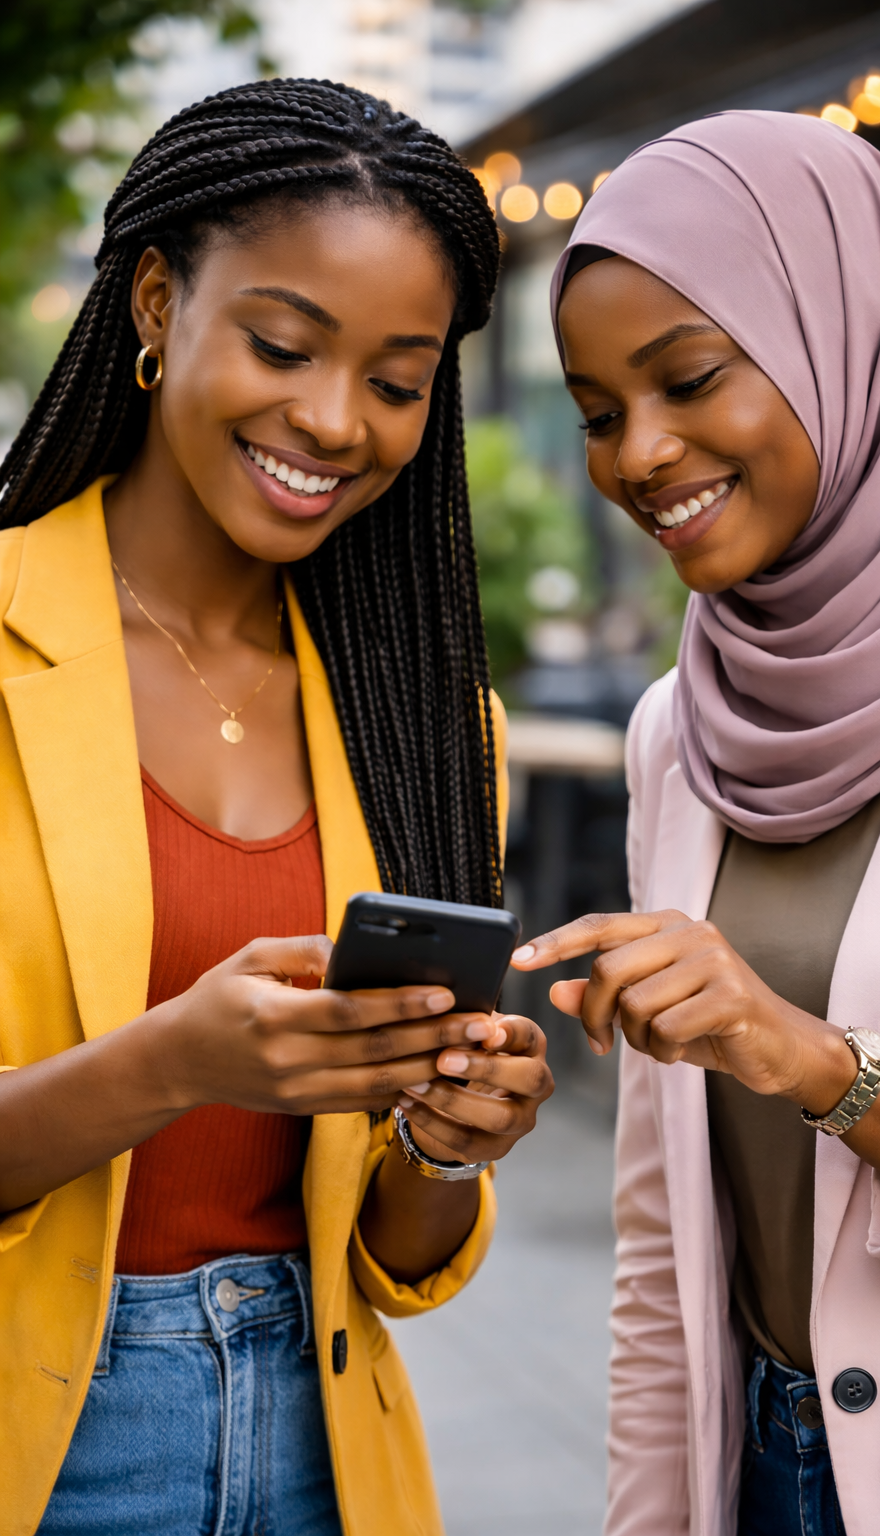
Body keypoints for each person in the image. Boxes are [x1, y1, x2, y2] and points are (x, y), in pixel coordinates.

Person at [0, 79, 552, 1536]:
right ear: (158, 300)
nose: (332, 420)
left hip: (321, 1455)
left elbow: (394, 1262)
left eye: (397, 380)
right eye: (284, 345)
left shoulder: (431, 727)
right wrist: (172, 1061)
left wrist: (447, 1140)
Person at [511, 110, 880, 1536]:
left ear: (851, 341)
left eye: (688, 380)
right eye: (596, 413)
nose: (638, 454)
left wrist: (816, 1066)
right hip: (754, 1465)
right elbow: (662, 1248)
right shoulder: (682, 729)